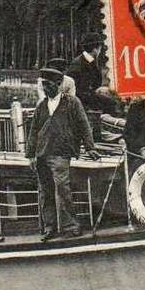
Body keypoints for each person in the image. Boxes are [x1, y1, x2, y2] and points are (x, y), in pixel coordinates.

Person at [26, 68, 100, 241]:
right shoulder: (41, 106)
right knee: (45, 192)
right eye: (43, 84)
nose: (45, 88)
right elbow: (33, 131)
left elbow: (84, 125)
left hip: (61, 153)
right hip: (42, 154)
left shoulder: (72, 102)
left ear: (59, 84)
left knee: (62, 189)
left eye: (49, 84)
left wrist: (90, 147)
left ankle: (71, 225)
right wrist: (30, 155)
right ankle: (49, 227)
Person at [67, 33, 119, 114]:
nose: (100, 51)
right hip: (80, 99)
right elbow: (78, 88)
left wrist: (100, 89)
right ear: (95, 49)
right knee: (111, 103)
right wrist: (95, 91)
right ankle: (107, 124)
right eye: (100, 48)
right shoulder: (79, 64)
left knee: (112, 97)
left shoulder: (88, 60)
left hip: (86, 95)